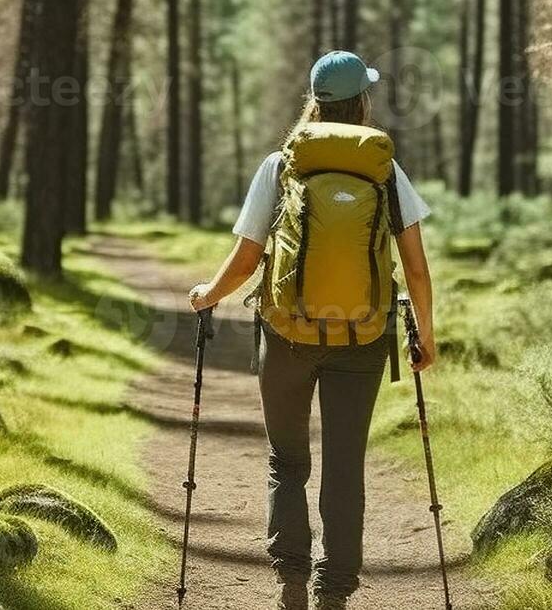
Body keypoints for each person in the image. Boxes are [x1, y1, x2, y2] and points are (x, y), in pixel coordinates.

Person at [188, 50, 439, 610]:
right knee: (345, 464)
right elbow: (416, 268)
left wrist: (209, 294)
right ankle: (336, 590)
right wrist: (425, 336)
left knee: (287, 460)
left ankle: (293, 579)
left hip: (286, 336)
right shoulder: (385, 170)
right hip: (364, 338)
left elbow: (249, 254)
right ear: (362, 102)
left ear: (315, 101)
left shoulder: (281, 166)